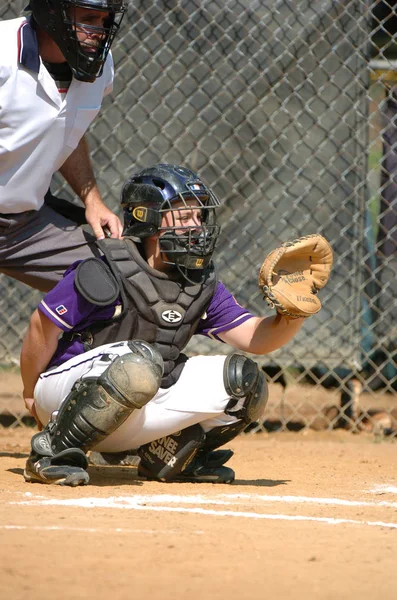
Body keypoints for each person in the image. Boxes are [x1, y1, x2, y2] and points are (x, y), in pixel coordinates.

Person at [20, 163, 311, 487]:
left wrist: (294, 313)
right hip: (63, 402)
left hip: (135, 403)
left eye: (199, 217)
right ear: (149, 218)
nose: (197, 227)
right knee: (139, 364)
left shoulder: (198, 283)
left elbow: (257, 339)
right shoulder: (105, 269)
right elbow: (40, 327)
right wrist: (30, 392)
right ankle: (51, 453)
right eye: (185, 218)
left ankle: (171, 456)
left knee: (245, 383)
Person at [0, 0, 126, 292]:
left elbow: (68, 132)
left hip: (26, 226)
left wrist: (92, 201)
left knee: (116, 288)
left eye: (106, 21)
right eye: (89, 18)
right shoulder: (4, 50)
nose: (100, 30)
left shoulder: (100, 65)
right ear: (53, 13)